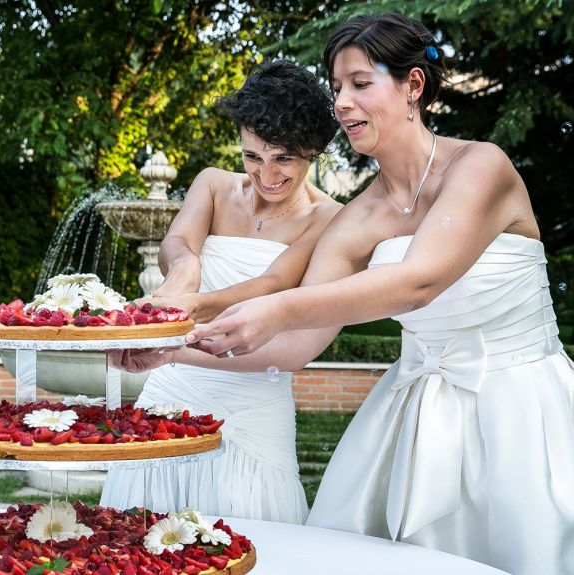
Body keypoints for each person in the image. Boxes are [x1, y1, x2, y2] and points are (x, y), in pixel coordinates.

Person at [112, 13, 574, 575]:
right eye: (336, 88)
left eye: (360, 83)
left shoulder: (481, 167)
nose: (343, 103)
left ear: (412, 86)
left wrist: (276, 308)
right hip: (413, 418)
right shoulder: (357, 219)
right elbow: (293, 345)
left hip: (523, 409)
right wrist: (173, 344)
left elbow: (417, 282)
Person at [100, 59, 341, 524]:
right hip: (170, 392)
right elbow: (177, 243)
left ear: (312, 150)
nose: (265, 174)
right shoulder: (212, 184)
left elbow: (273, 284)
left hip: (252, 406)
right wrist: (184, 272)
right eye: (253, 156)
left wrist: (180, 331)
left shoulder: (330, 219)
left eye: (283, 158)